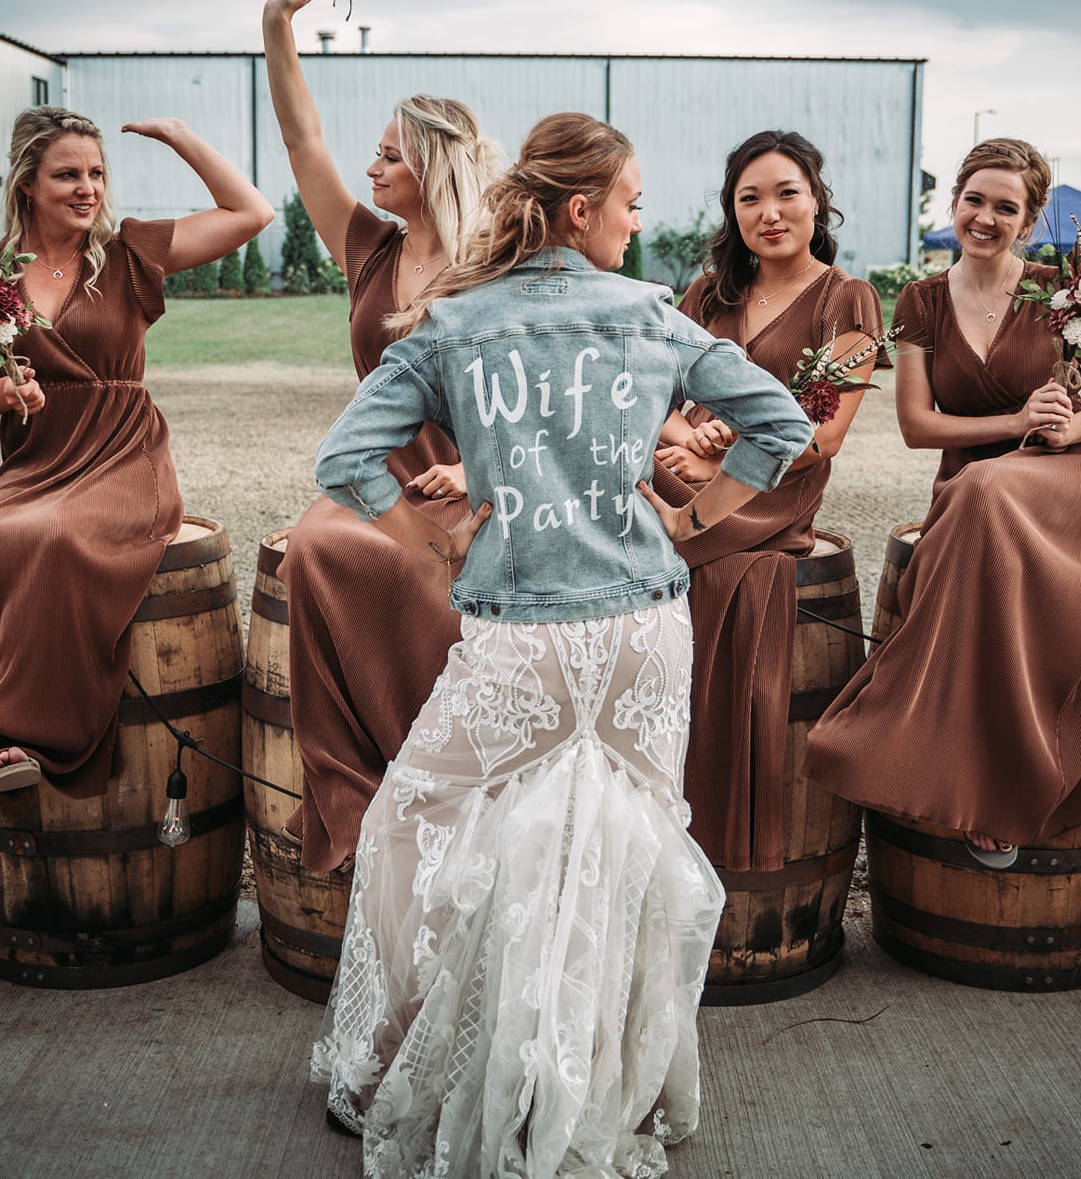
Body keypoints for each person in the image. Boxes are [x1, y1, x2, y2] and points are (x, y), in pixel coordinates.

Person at [308, 113, 813, 1174]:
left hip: (519, 643)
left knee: (409, 823)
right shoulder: (648, 316)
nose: (640, 222)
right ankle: (593, 1083)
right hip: (641, 634)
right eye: (630, 203)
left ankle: (406, 1059)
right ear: (579, 209)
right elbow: (782, 427)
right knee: (621, 845)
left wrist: (434, 535)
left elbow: (346, 457)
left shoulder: (456, 321)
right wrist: (691, 520)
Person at [0, 107, 271, 813]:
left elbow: (250, 212)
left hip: (124, 452)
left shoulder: (132, 252)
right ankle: (8, 740)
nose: (87, 188)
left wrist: (181, 139)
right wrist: (2, 393)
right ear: (27, 186)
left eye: (97, 173)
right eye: (67, 174)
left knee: (56, 536)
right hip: (37, 456)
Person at [804, 137, 1081, 867]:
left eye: (1006, 207)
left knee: (987, 488)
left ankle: (978, 761)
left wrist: (1063, 427)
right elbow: (917, 427)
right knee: (980, 488)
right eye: (975, 200)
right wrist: (1015, 423)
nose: (986, 217)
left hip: (1065, 478)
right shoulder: (920, 300)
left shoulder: (1062, 289)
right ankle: (939, 763)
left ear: (1030, 220)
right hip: (970, 489)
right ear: (954, 202)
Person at [262, 0, 502, 869]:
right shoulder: (367, 245)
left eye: (390, 156)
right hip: (377, 472)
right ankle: (355, 795)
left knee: (452, 608)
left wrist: (484, 472)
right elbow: (300, 139)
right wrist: (277, 27)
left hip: (473, 475)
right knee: (315, 551)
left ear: (433, 164)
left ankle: (437, 784)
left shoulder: (501, 263)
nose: (372, 168)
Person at [649, 130, 888, 870]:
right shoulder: (705, 294)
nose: (770, 212)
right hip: (675, 464)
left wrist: (724, 446)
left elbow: (825, 437)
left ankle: (712, 809)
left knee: (713, 565)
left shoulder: (847, 300)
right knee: (622, 482)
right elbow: (654, 396)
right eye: (750, 198)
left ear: (818, 202)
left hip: (774, 494)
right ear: (732, 211)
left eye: (787, 193)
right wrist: (685, 434)